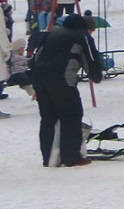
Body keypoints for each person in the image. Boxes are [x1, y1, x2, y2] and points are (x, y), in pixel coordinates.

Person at [30, 13, 100, 167]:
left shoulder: (51, 33)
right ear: (85, 28)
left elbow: (36, 57)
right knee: (72, 115)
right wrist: (95, 75)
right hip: (61, 79)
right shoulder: (82, 36)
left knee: (48, 118)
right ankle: (71, 157)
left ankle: (48, 157)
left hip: (39, 79)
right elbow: (91, 59)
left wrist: (35, 82)